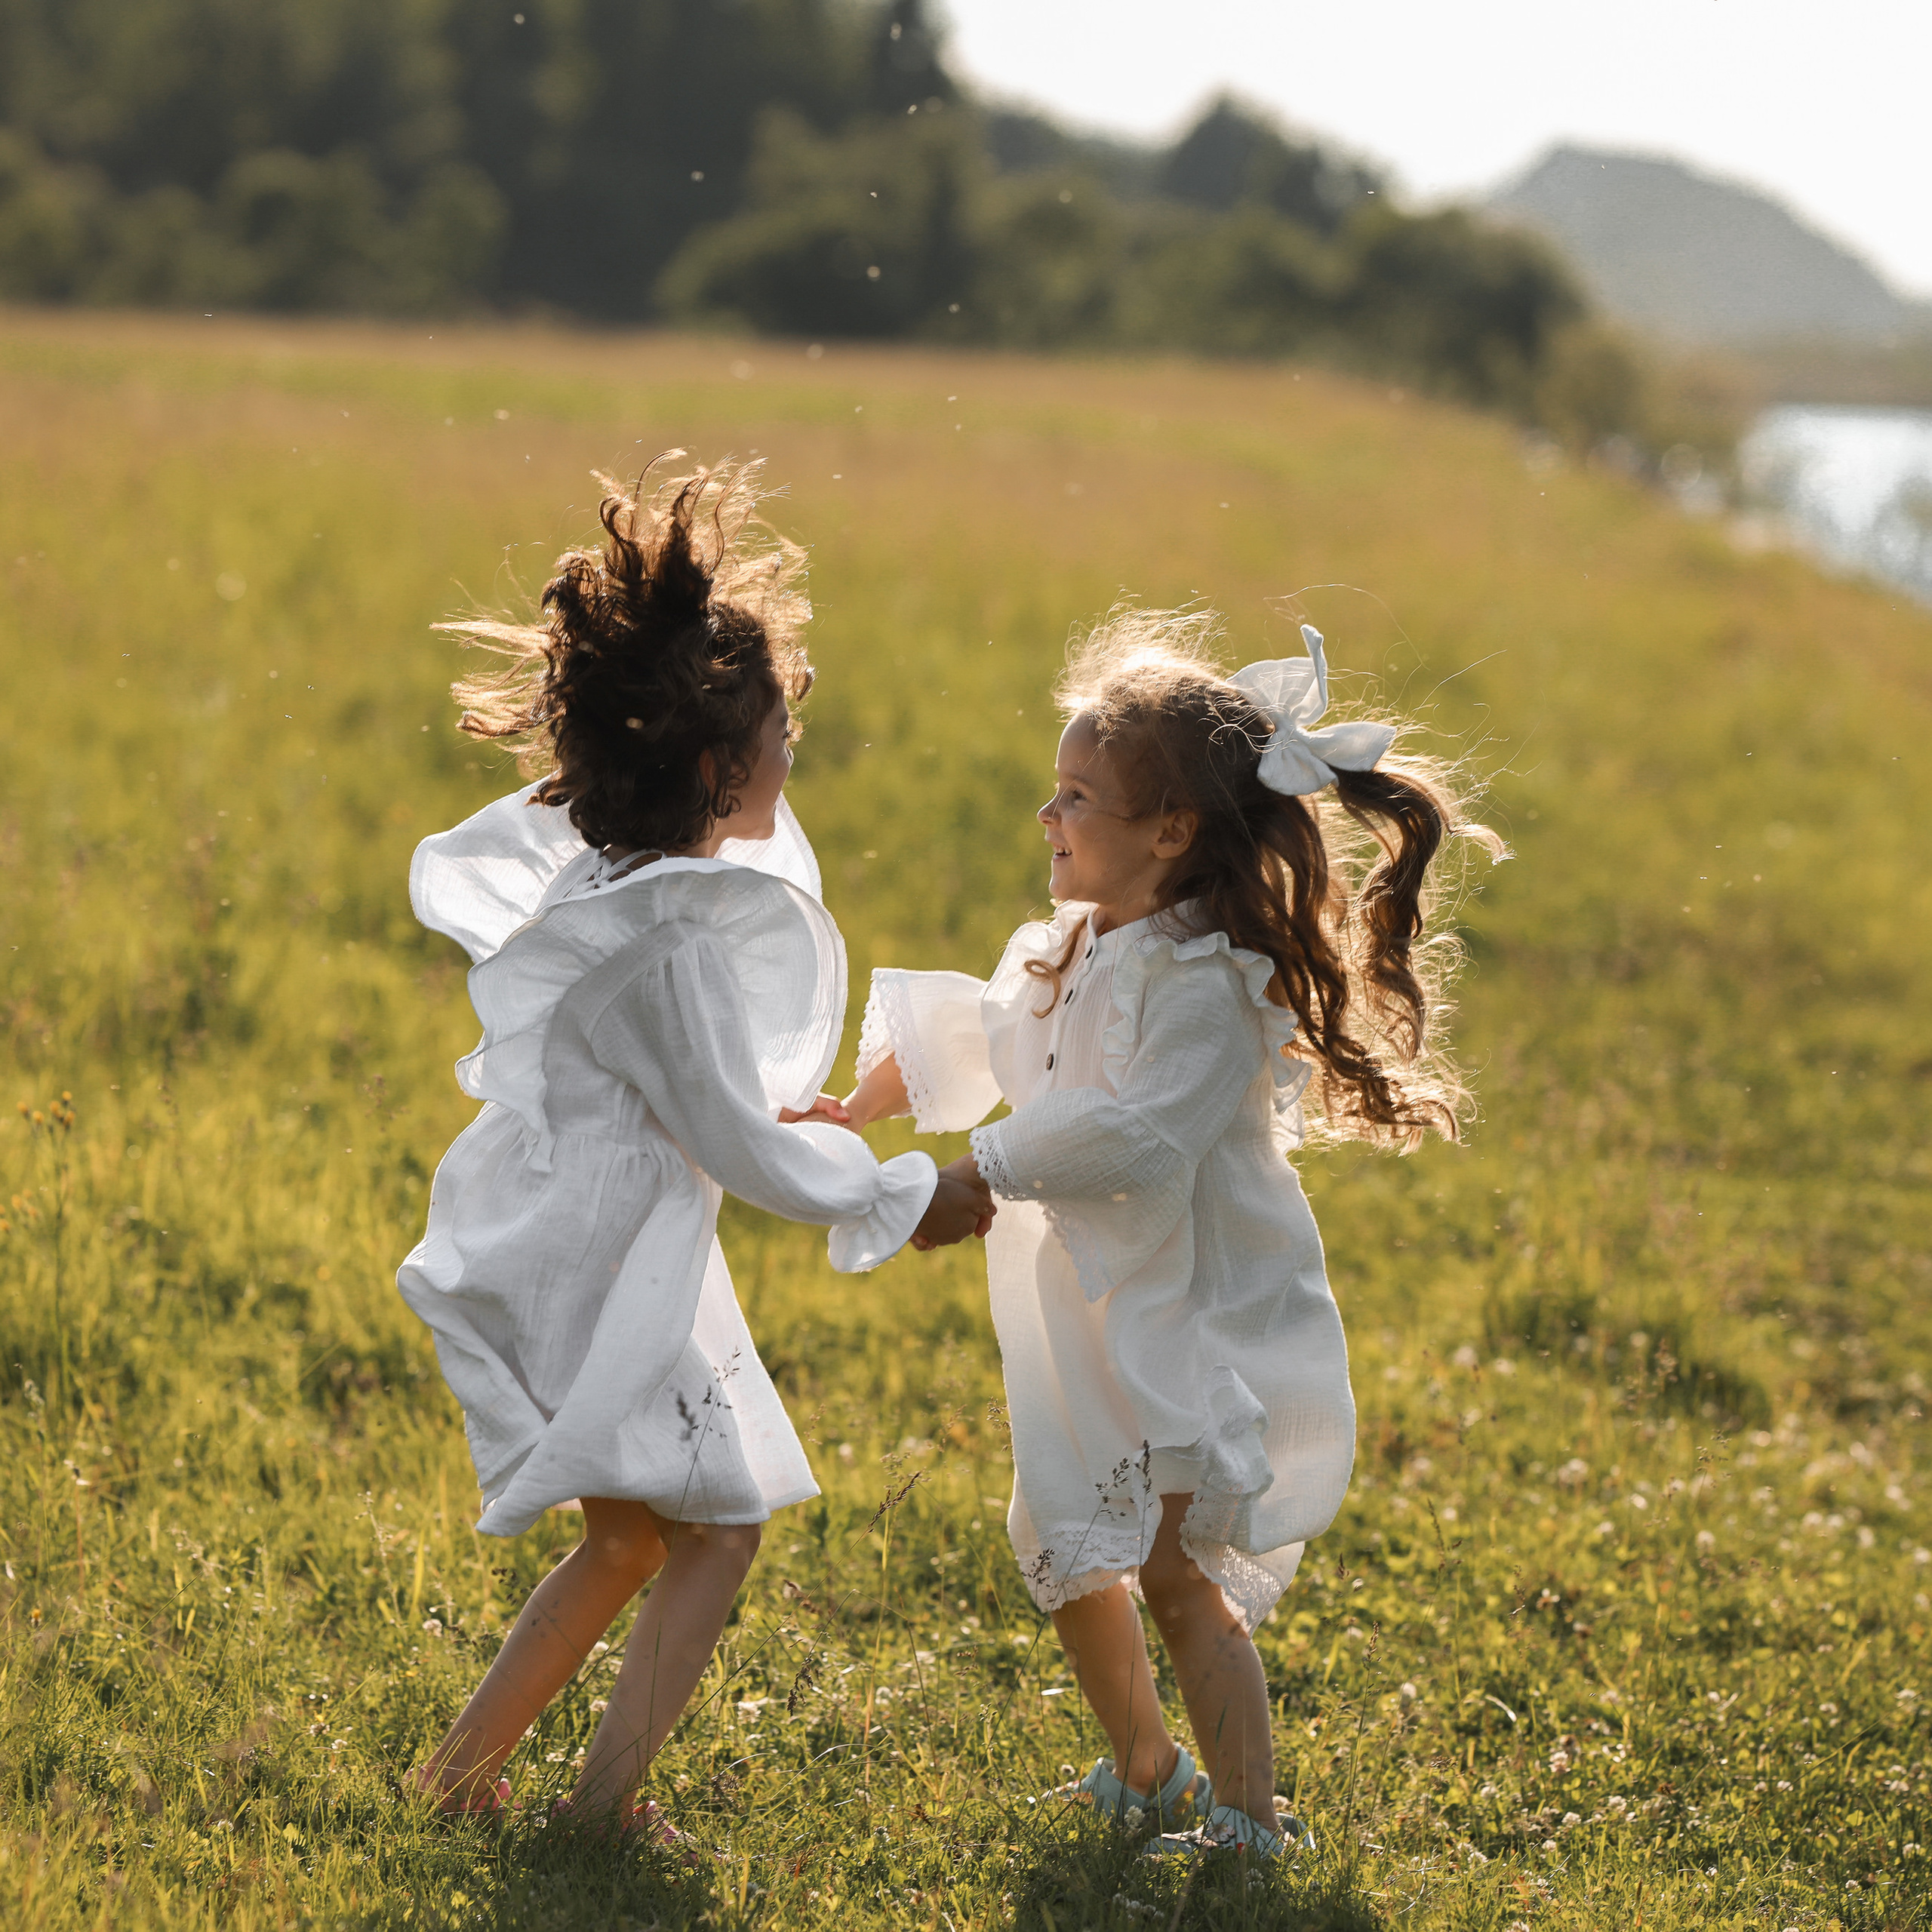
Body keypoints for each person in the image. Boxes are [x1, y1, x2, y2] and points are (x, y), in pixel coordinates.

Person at [835, 608, 1500, 1858]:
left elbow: (1140, 1141)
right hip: (1078, 1305)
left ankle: (1252, 1822)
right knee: (1059, 1538)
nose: (1049, 817)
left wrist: (981, 1169)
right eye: (1056, 791)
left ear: (1172, 833)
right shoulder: (1071, 941)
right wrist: (875, 1094)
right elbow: (992, 1029)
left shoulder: (1206, 989)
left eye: (1077, 796)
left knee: (1173, 1568)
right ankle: (1149, 1771)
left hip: (1185, 1307)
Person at [395, 457, 993, 1844]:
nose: (798, 752)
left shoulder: (629, 888)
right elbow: (739, 1142)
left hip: (595, 1243)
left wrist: (759, 1121)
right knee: (708, 1534)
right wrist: (911, 1194)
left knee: (634, 1537)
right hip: (607, 1267)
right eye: (785, 732)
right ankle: (597, 1808)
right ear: (723, 765)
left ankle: (460, 1778)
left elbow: (696, 1102)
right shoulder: (664, 941)